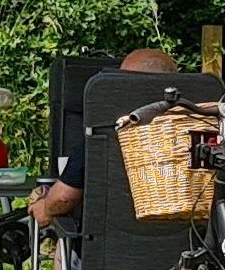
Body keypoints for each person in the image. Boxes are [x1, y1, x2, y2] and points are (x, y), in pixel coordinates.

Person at [27, 44, 177, 234]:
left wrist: (45, 207)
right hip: (184, 254)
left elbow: (63, 198)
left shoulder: (105, 137)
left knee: (64, 245)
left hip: (108, 255)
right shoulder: (193, 136)